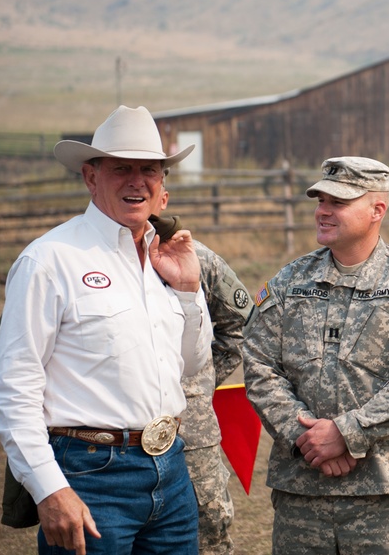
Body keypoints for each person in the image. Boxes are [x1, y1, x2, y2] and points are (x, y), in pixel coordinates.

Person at [0, 105, 214, 554]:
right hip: (90, 473)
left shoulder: (167, 259)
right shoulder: (49, 260)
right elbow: (14, 387)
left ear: (163, 183)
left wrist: (189, 290)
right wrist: (50, 489)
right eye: (121, 169)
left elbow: (192, 363)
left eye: (149, 169)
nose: (137, 180)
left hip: (170, 470)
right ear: (91, 177)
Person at [242, 156, 389, 555]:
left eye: (338, 202)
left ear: (378, 209)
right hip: (302, 497)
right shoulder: (290, 282)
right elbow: (258, 364)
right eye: (320, 200)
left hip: (388, 498)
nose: (323, 211)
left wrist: (347, 432)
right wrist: (305, 437)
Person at [152, 192, 252, 555]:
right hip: (109, 435)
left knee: (206, 532)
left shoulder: (199, 260)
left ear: (162, 198)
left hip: (191, 431)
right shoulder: (83, 261)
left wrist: (197, 382)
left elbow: (240, 325)